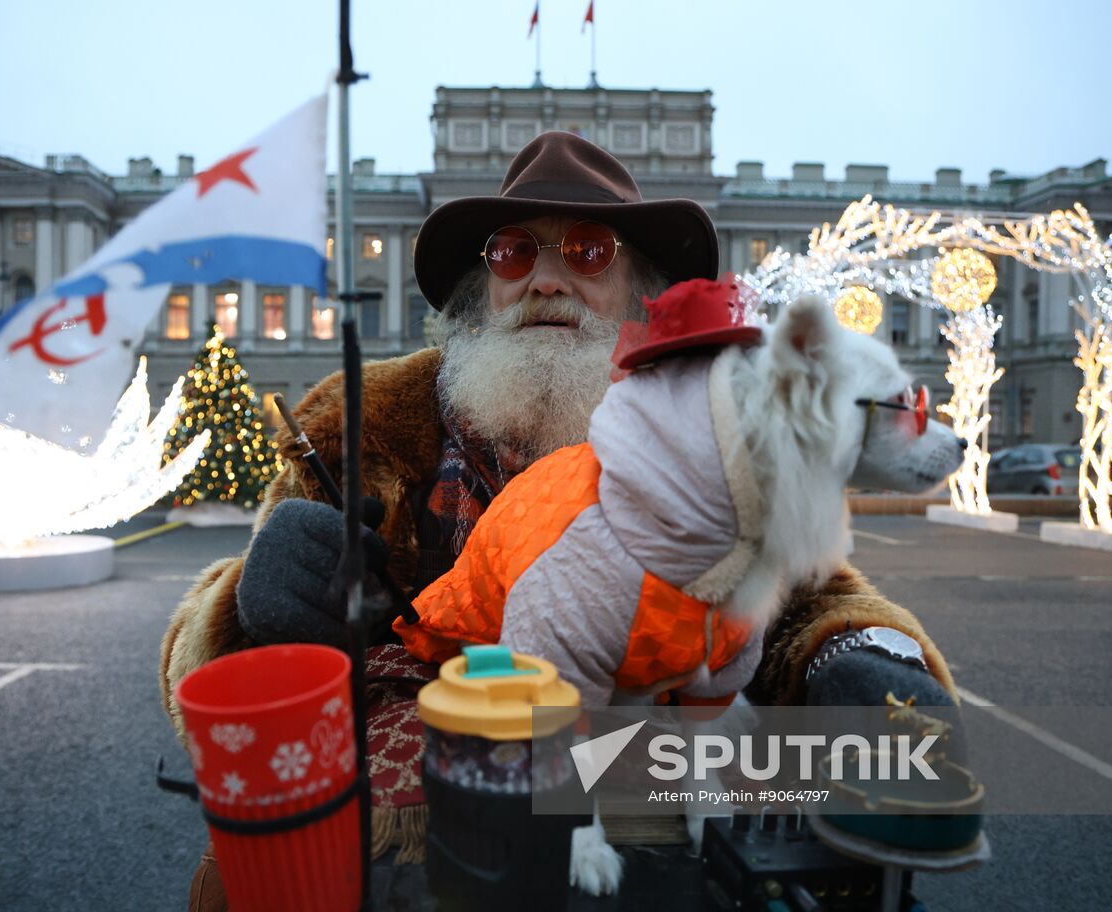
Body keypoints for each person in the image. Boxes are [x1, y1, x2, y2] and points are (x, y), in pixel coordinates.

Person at [159, 132, 959, 909]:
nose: (545, 280)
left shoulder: (711, 429)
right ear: (483, 288)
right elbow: (195, 663)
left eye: (587, 252)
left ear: (642, 291)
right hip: (404, 827)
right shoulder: (358, 422)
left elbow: (805, 590)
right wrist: (254, 602)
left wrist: (861, 652)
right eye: (513, 254)